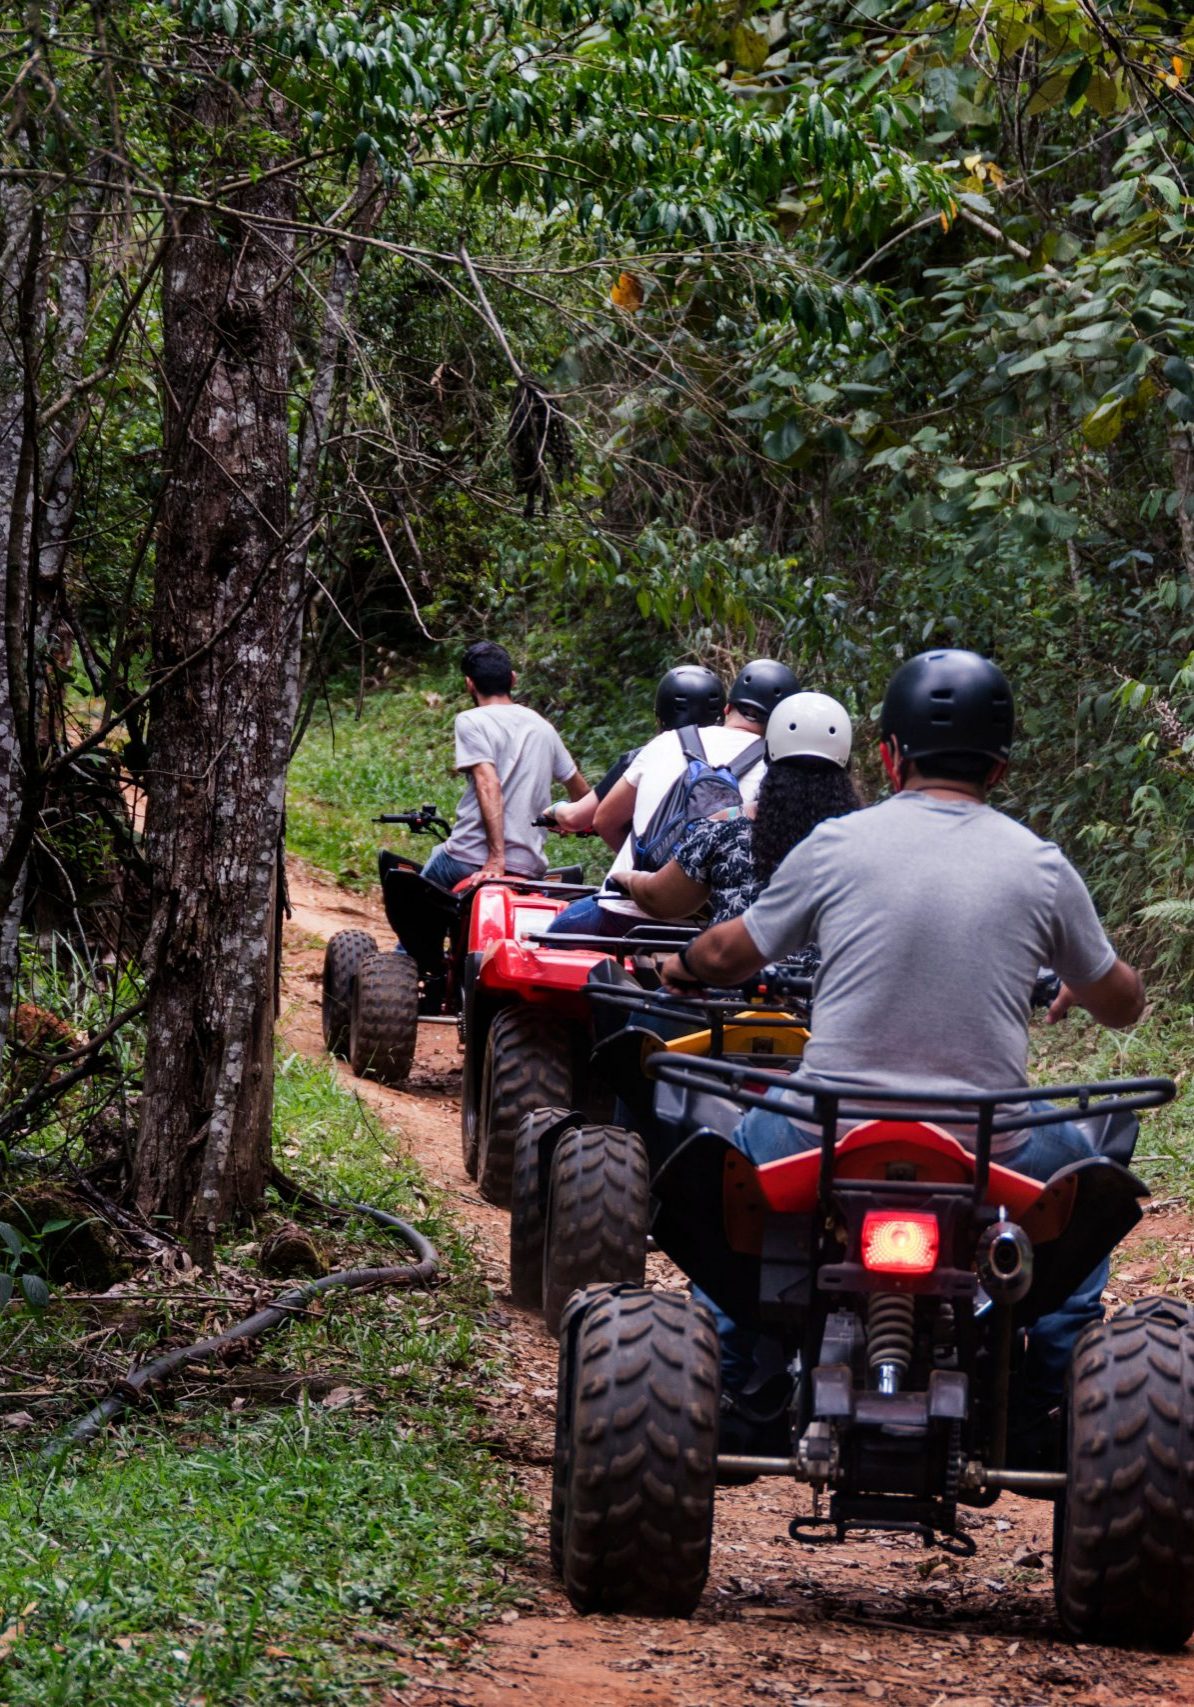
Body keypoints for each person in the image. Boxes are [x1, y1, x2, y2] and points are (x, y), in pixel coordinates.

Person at [659, 648, 1144, 1450]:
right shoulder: (1040, 865)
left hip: (823, 1127)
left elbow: (727, 956)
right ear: (1001, 769)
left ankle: (740, 1374)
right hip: (990, 1138)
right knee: (1086, 1206)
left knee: (726, 1183)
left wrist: (679, 965)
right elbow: (1122, 1001)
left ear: (888, 755)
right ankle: (1048, 1396)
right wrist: (1084, 978)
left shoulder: (837, 844)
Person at [547, 657, 800, 938]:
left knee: (552, 937)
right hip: (709, 929)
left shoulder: (667, 742)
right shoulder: (781, 772)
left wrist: (654, 871)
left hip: (625, 912)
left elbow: (605, 820)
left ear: (727, 708)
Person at [608, 691, 860, 926]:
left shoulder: (726, 826)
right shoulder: (863, 842)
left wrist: (629, 878)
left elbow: (661, 900)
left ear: (769, 756)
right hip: (835, 973)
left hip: (737, 966)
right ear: (846, 763)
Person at [420, 641, 588, 890]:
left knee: (417, 894)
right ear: (513, 679)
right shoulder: (542, 727)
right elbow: (582, 793)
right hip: (530, 867)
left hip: (469, 858)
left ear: (470, 684)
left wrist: (496, 858)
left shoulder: (471, 720)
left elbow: (488, 783)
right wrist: (575, 820)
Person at [545, 665, 725, 835]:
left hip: (660, 865)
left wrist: (555, 809)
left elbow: (575, 818)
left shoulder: (645, 756)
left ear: (660, 717)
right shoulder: (742, 750)